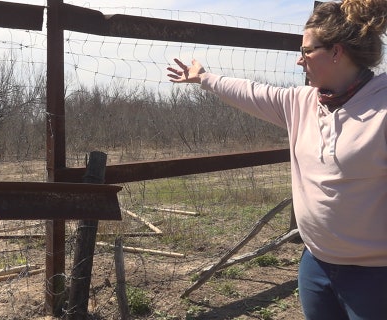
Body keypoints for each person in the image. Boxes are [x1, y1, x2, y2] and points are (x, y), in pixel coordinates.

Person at [166, 0, 387, 319]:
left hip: (375, 275)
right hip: (316, 264)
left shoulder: (381, 108)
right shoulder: (302, 102)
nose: (299, 60)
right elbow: (252, 92)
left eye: (307, 50)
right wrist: (203, 78)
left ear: (336, 52)